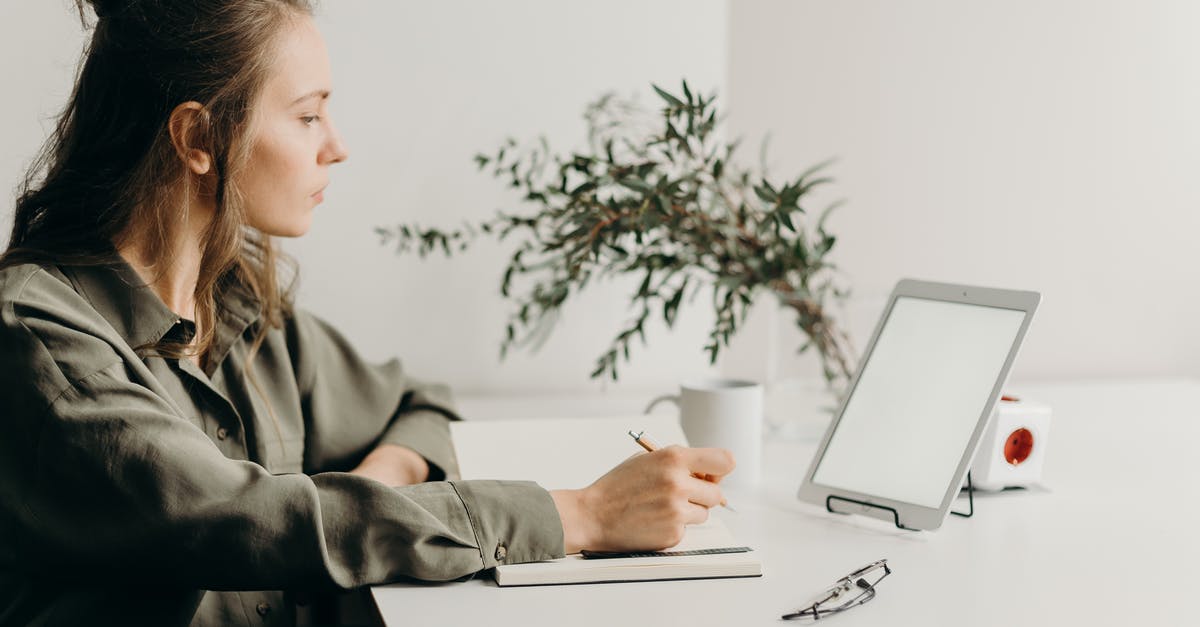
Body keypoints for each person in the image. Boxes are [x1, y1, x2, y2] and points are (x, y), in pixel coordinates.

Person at [0, 1, 736, 625]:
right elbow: (250, 517)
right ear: (198, 138)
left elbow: (420, 406)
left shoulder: (240, 307)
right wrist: (584, 515)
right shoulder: (38, 341)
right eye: (308, 116)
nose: (338, 147)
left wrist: (380, 480)